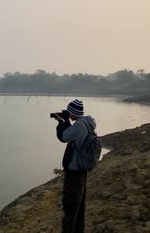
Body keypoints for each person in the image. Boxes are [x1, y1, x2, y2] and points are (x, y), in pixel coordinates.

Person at [54, 99, 96, 233]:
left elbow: (63, 137)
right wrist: (67, 121)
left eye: (68, 112)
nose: (67, 114)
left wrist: (61, 122)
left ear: (72, 112)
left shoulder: (79, 125)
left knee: (71, 207)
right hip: (81, 170)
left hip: (74, 172)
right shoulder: (86, 123)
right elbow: (71, 135)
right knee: (79, 206)